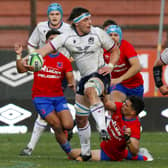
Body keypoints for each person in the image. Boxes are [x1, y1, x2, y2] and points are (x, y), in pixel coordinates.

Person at [23, 7, 120, 161]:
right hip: (84, 77)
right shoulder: (65, 37)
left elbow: (115, 51)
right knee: (81, 119)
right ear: (77, 23)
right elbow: (44, 50)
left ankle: (102, 127)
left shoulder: (98, 33)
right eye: (86, 20)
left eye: (90, 19)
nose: (90, 22)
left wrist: (111, 66)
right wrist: (28, 60)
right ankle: (86, 152)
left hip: (101, 74)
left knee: (90, 90)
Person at [20, 3, 73, 156]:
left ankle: (66, 129)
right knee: (44, 115)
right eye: (52, 14)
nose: (54, 16)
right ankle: (30, 147)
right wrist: (35, 58)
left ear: (61, 15)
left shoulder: (68, 29)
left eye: (57, 14)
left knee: (53, 116)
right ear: (48, 15)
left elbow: (74, 45)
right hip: (45, 67)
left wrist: (70, 57)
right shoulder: (41, 27)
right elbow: (31, 44)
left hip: (60, 69)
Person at [71, 95, 153, 161]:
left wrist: (127, 139)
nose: (123, 105)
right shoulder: (120, 108)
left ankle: (144, 157)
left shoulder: (134, 127)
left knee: (74, 154)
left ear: (133, 112)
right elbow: (107, 104)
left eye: (126, 105)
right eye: (124, 103)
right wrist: (103, 92)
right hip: (108, 147)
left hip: (111, 154)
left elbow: (134, 152)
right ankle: (143, 156)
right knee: (125, 154)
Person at [103, 21, 144, 103]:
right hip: (117, 85)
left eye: (115, 35)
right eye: (110, 35)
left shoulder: (126, 46)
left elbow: (137, 66)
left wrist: (120, 79)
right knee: (115, 102)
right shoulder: (102, 49)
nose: (113, 37)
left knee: (132, 112)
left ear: (120, 37)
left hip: (135, 84)